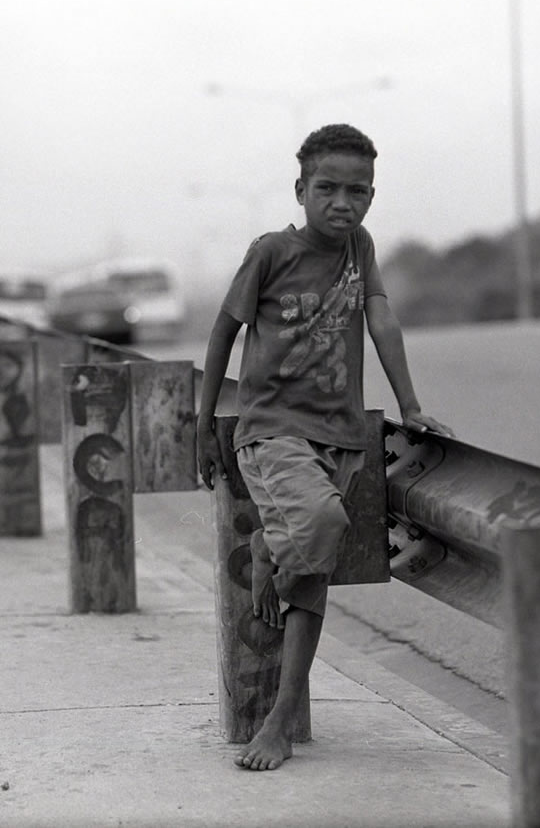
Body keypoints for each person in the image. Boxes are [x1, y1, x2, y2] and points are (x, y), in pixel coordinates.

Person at [197, 123, 453, 771]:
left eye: (358, 191)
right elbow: (224, 333)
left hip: (339, 435)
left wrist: (412, 403)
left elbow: (381, 320)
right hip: (271, 428)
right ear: (301, 189)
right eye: (329, 189)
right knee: (322, 521)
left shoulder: (358, 249)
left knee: (311, 569)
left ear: (371, 195)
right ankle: (275, 555)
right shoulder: (270, 253)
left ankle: (281, 715)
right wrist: (205, 424)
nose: (344, 202)